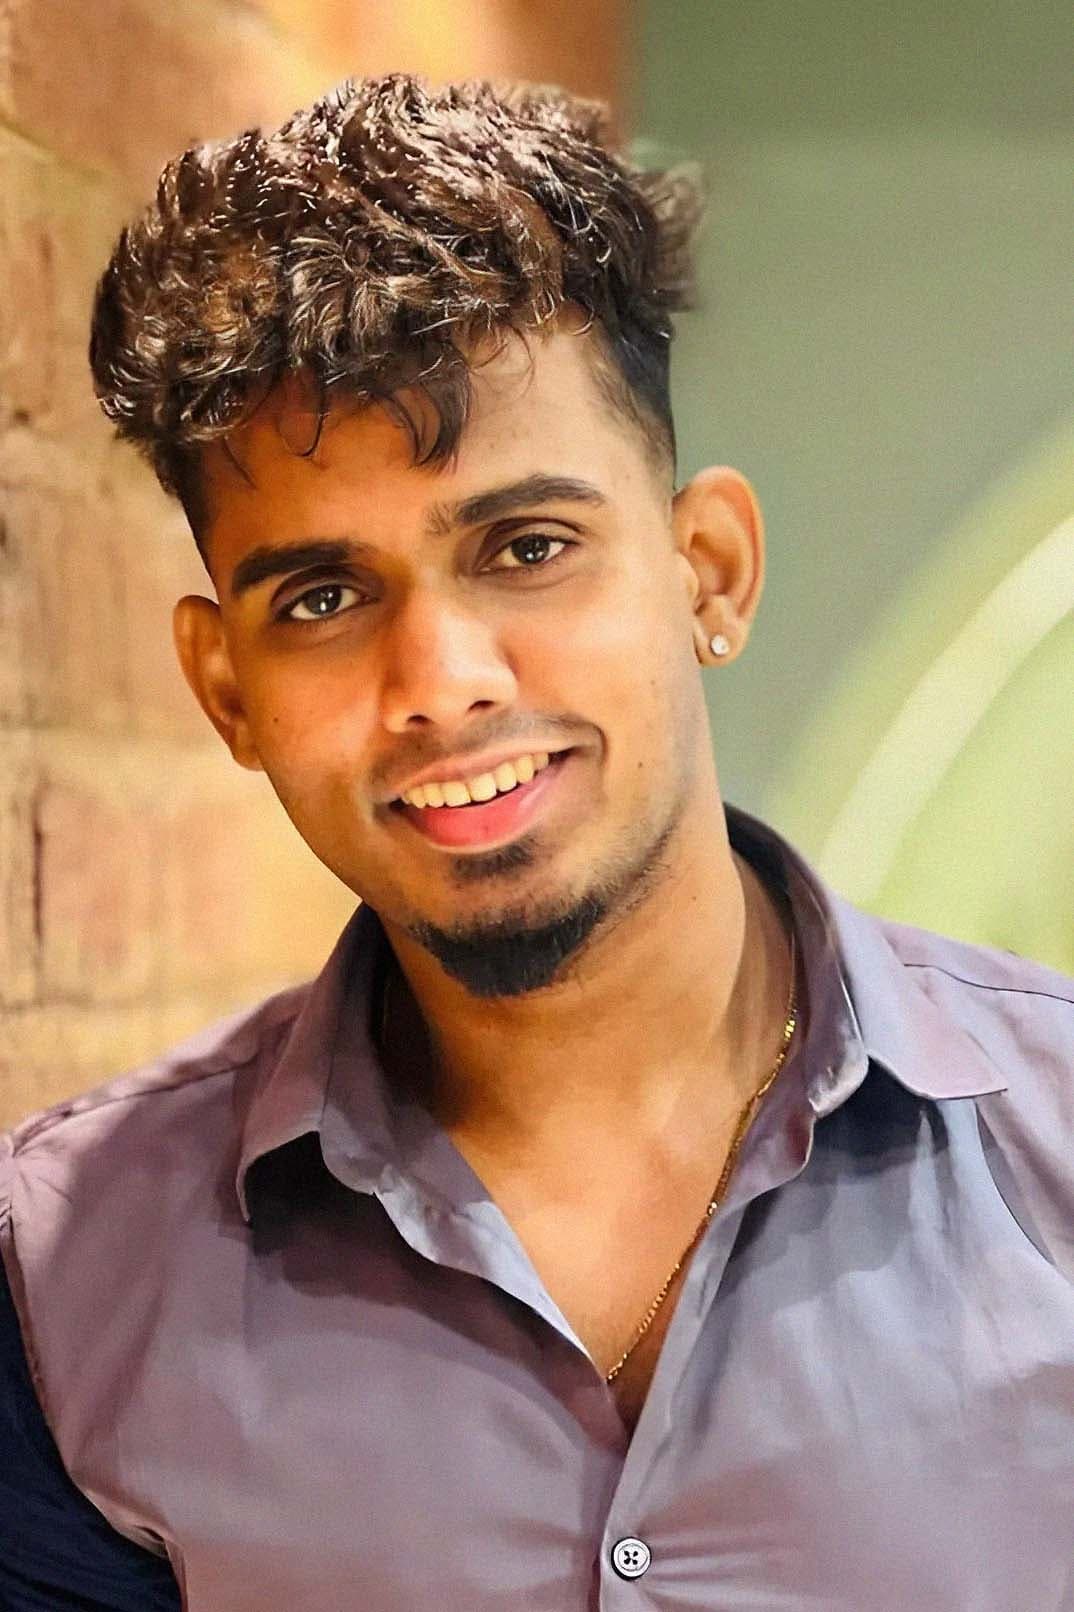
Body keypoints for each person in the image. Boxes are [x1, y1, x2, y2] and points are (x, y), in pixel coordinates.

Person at [1, 73, 1072, 1612]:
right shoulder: (66, 1283)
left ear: (707, 572)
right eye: (322, 597)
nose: (441, 682)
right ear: (224, 688)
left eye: (526, 547)